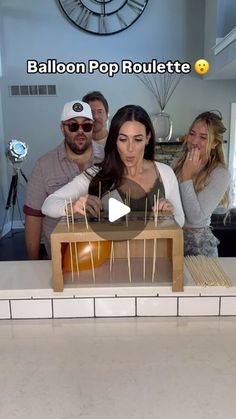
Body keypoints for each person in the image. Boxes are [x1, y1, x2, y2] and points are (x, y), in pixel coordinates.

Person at [42, 105, 184, 228]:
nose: (130, 148)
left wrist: (168, 214)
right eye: (123, 139)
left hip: (155, 257)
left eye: (137, 139)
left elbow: (180, 221)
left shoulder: (164, 173)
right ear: (115, 140)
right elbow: (48, 205)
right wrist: (72, 207)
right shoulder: (96, 174)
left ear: (147, 138)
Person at [23, 100, 104, 259]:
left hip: (102, 252)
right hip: (59, 257)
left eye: (86, 126)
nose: (80, 131)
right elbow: (33, 218)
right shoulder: (43, 166)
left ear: (92, 127)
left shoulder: (109, 159)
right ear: (62, 128)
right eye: (73, 126)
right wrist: (32, 264)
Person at [172, 110, 230, 257]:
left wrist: (187, 177)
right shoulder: (178, 163)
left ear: (215, 143)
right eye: (192, 133)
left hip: (200, 250)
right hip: (174, 241)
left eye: (203, 137)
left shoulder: (220, 174)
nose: (194, 141)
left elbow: (195, 218)